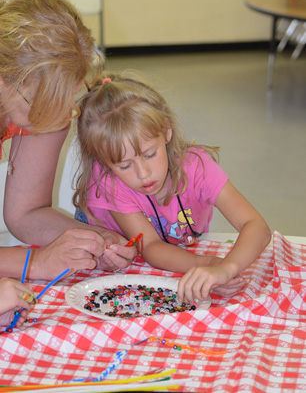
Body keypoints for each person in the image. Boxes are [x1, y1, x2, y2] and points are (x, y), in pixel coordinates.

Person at [73, 71, 271, 303]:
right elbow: (151, 247)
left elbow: (256, 226)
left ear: (166, 131)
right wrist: (208, 264)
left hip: (172, 250)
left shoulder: (197, 167)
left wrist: (226, 268)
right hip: (114, 255)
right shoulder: (109, 183)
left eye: (150, 154)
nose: (143, 173)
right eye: (125, 165)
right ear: (103, 162)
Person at [0, 0, 136, 291]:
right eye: (48, 99)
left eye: (69, 96)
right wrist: (33, 264)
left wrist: (94, 240)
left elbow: (26, 213)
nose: (65, 113)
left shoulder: (46, 106)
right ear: (4, 77)